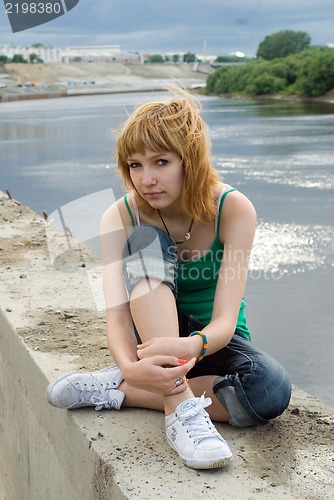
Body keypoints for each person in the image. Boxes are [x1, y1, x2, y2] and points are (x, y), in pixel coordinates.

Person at [47, 90, 291, 470]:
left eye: (161, 162)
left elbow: (226, 319)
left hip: (211, 343)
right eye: (135, 165)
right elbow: (118, 316)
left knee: (270, 389)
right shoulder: (120, 215)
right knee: (147, 239)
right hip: (154, 337)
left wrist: (194, 344)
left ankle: (122, 392)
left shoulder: (233, 209)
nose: (146, 179)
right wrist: (129, 363)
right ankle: (179, 409)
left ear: (188, 160)